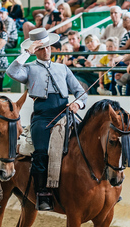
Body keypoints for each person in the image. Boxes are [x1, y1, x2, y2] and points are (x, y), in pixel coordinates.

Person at [6, 28, 87, 211]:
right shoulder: (29, 69)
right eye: (41, 48)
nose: (46, 51)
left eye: (48, 47)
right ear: (36, 50)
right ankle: (43, 193)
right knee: (41, 151)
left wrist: (77, 105)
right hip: (42, 116)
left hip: (65, 113)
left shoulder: (62, 68)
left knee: (86, 144)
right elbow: (11, 71)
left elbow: (80, 92)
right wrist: (27, 52)